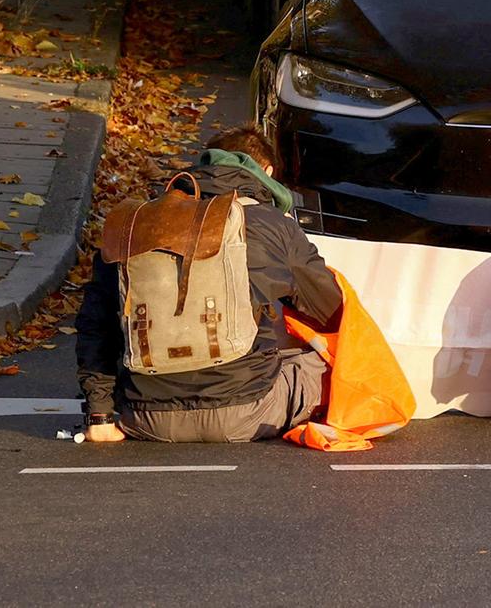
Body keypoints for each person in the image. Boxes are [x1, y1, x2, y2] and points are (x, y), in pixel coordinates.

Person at [78, 128, 342, 443]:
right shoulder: (273, 223)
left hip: (146, 417)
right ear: (267, 171)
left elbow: (97, 322)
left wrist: (100, 416)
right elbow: (329, 309)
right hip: (246, 413)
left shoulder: (142, 224)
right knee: (330, 368)